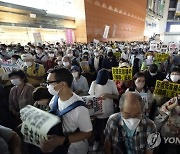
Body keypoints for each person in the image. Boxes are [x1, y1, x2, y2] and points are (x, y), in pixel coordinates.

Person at [41, 68, 92, 154]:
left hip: (76, 148)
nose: (48, 86)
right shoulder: (56, 98)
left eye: (50, 83)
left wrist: (62, 140)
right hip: (60, 145)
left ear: (62, 84)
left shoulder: (79, 108)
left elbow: (87, 133)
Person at [88, 69, 119, 151]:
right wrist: (92, 113)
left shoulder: (111, 83)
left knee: (109, 130)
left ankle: (108, 143)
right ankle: (97, 141)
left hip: (109, 111)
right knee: (97, 129)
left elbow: (117, 96)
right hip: (98, 111)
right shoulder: (94, 83)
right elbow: (90, 98)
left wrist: (108, 95)